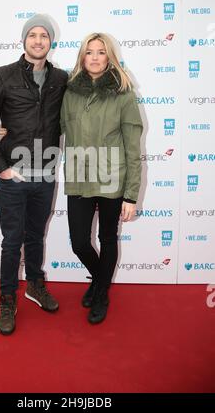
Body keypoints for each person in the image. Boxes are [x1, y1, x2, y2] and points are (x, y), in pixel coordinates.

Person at [0, 14, 68, 335]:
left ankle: (35, 286)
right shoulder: (1, 76)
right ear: (24, 40)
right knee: (12, 241)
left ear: (51, 42)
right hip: (14, 177)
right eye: (33, 35)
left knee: (35, 236)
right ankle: (6, 298)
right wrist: (1, 167)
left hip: (45, 174)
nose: (39, 40)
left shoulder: (61, 79)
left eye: (45, 35)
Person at [60, 32, 143, 324]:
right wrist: (11, 132)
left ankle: (101, 292)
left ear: (109, 57)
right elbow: (48, 126)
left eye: (100, 52)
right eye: (89, 52)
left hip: (112, 178)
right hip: (79, 177)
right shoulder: (69, 92)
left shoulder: (124, 94)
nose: (94, 57)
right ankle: (100, 280)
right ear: (82, 57)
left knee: (107, 238)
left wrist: (131, 195)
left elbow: (134, 148)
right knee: (79, 242)